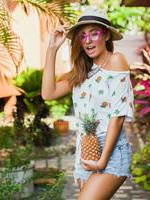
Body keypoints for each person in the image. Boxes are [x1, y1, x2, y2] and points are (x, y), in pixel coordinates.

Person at [41, 7, 134, 200]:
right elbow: (48, 93)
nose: (88, 41)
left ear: (106, 35)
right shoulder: (82, 72)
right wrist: (51, 50)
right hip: (85, 149)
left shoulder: (117, 61)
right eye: (83, 36)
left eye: (94, 34)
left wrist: (102, 161)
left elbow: (118, 116)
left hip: (111, 150)